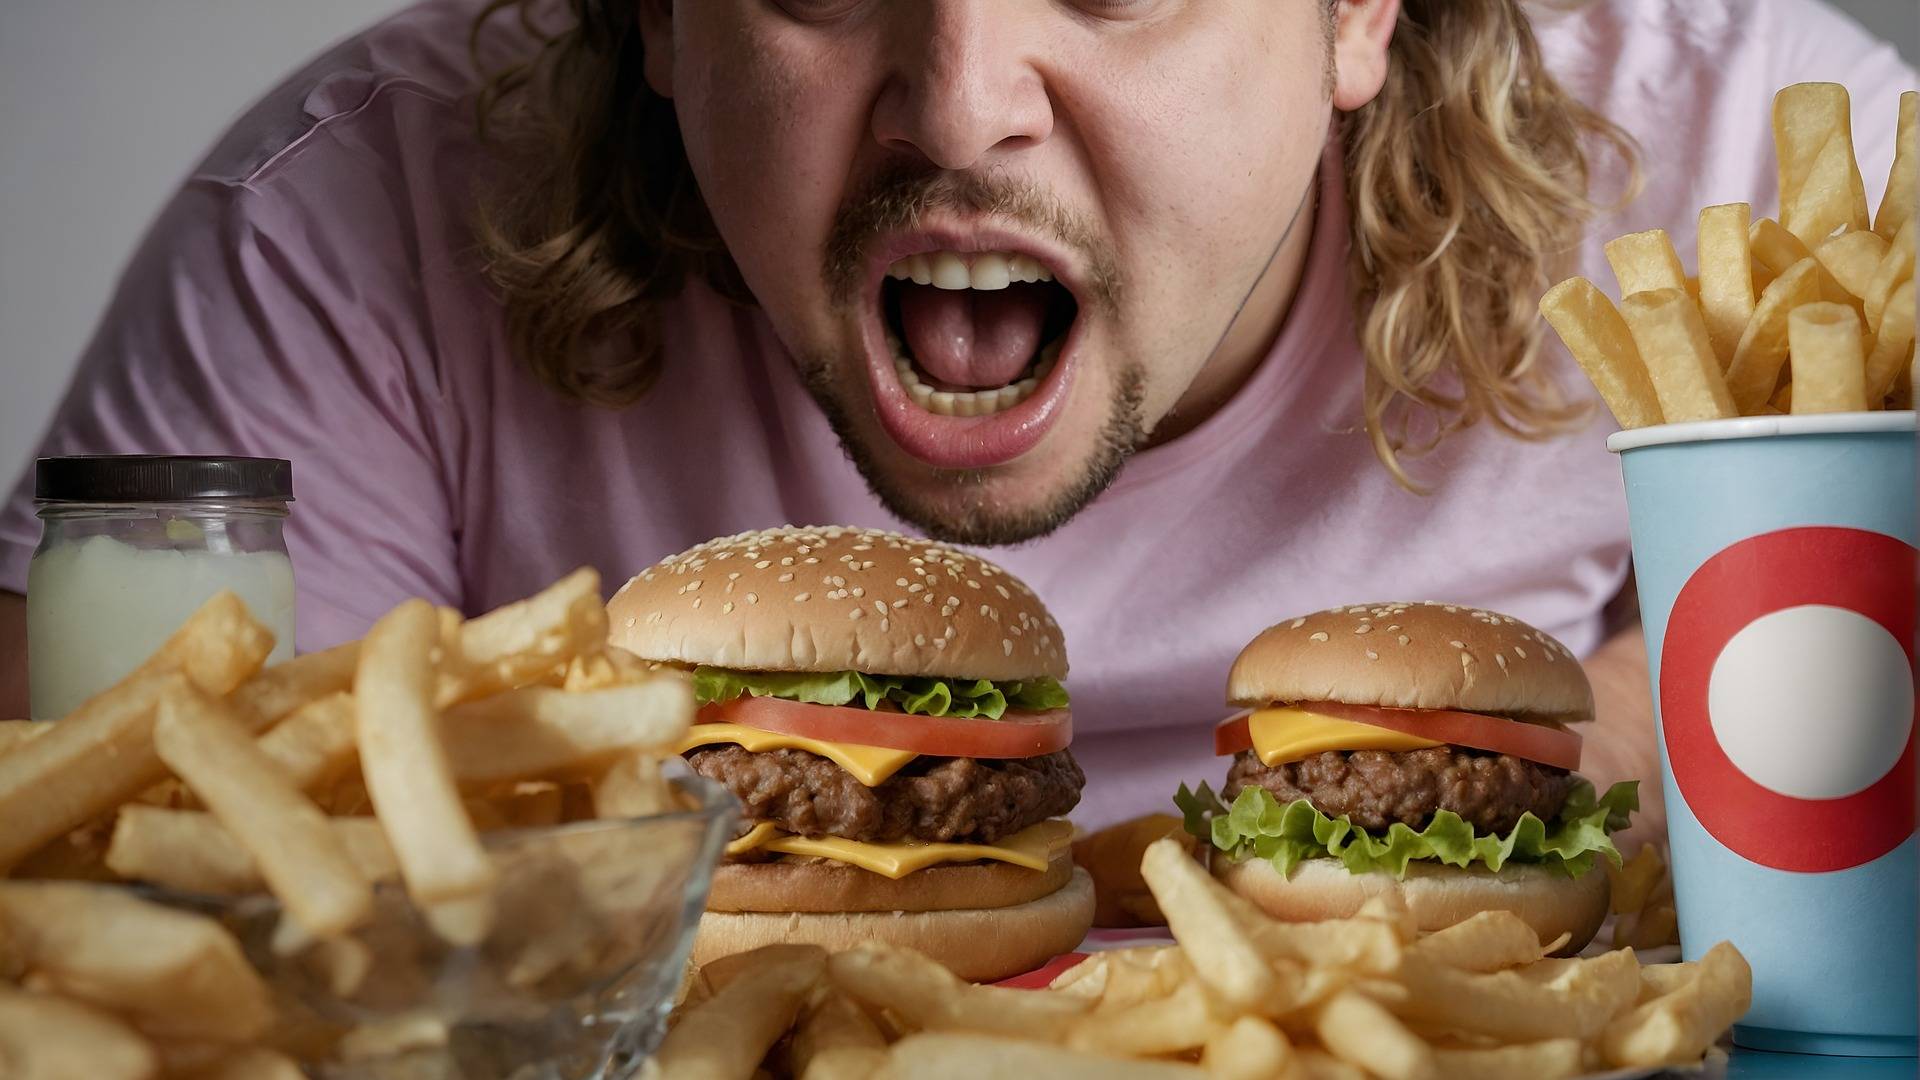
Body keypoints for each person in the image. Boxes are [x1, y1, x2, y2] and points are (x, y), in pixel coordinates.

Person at [0, 0, 1908, 830]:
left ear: (1357, 18)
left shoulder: (1772, 183)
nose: (958, 104)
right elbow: (140, 913)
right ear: (663, 20)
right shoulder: (349, 229)